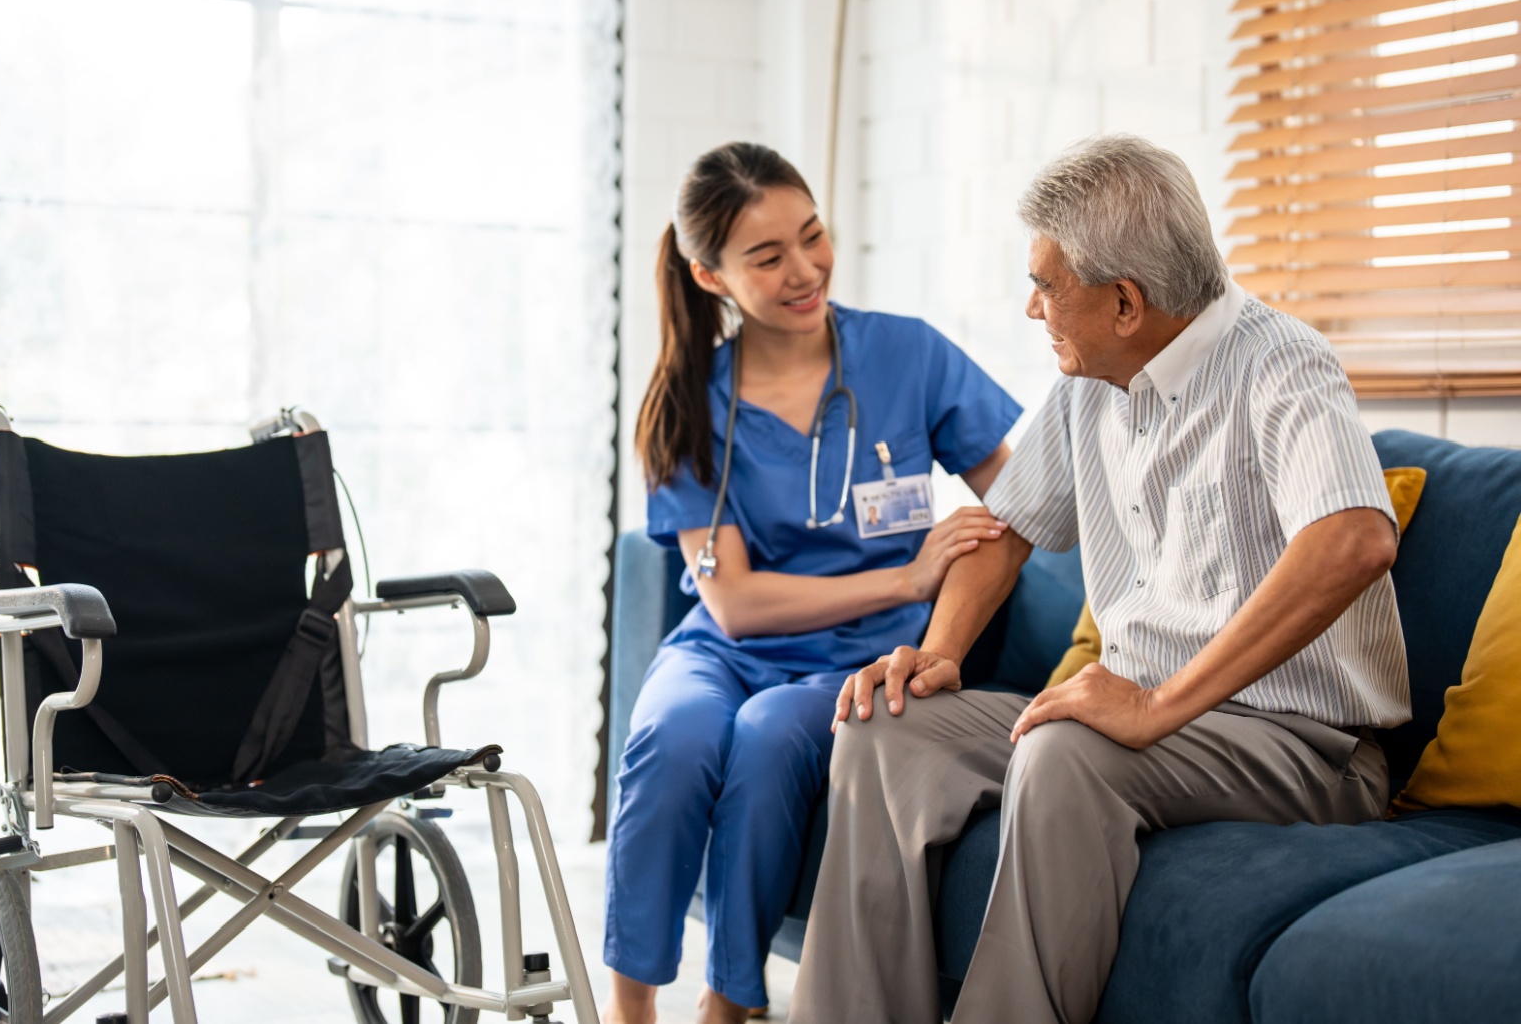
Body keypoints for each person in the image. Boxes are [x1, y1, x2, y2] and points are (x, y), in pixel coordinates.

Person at [788, 134, 1411, 1024]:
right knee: (886, 726)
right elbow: (1005, 527)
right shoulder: (1091, 378)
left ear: (1126, 301)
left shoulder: (1283, 363)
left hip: (1304, 750)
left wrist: (1159, 707)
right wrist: (938, 654)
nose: (1033, 307)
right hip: (1148, 731)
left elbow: (1354, 540)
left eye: (1048, 285)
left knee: (1068, 753)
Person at [605, 142, 1022, 1024]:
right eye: (767, 256)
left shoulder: (906, 356)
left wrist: (937, 623)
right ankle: (628, 1006)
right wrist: (905, 572)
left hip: (866, 660)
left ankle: (730, 1000)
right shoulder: (685, 404)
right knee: (669, 738)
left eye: (812, 236)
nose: (805, 271)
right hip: (727, 646)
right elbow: (734, 602)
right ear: (710, 276)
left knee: (766, 737)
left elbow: (1019, 510)